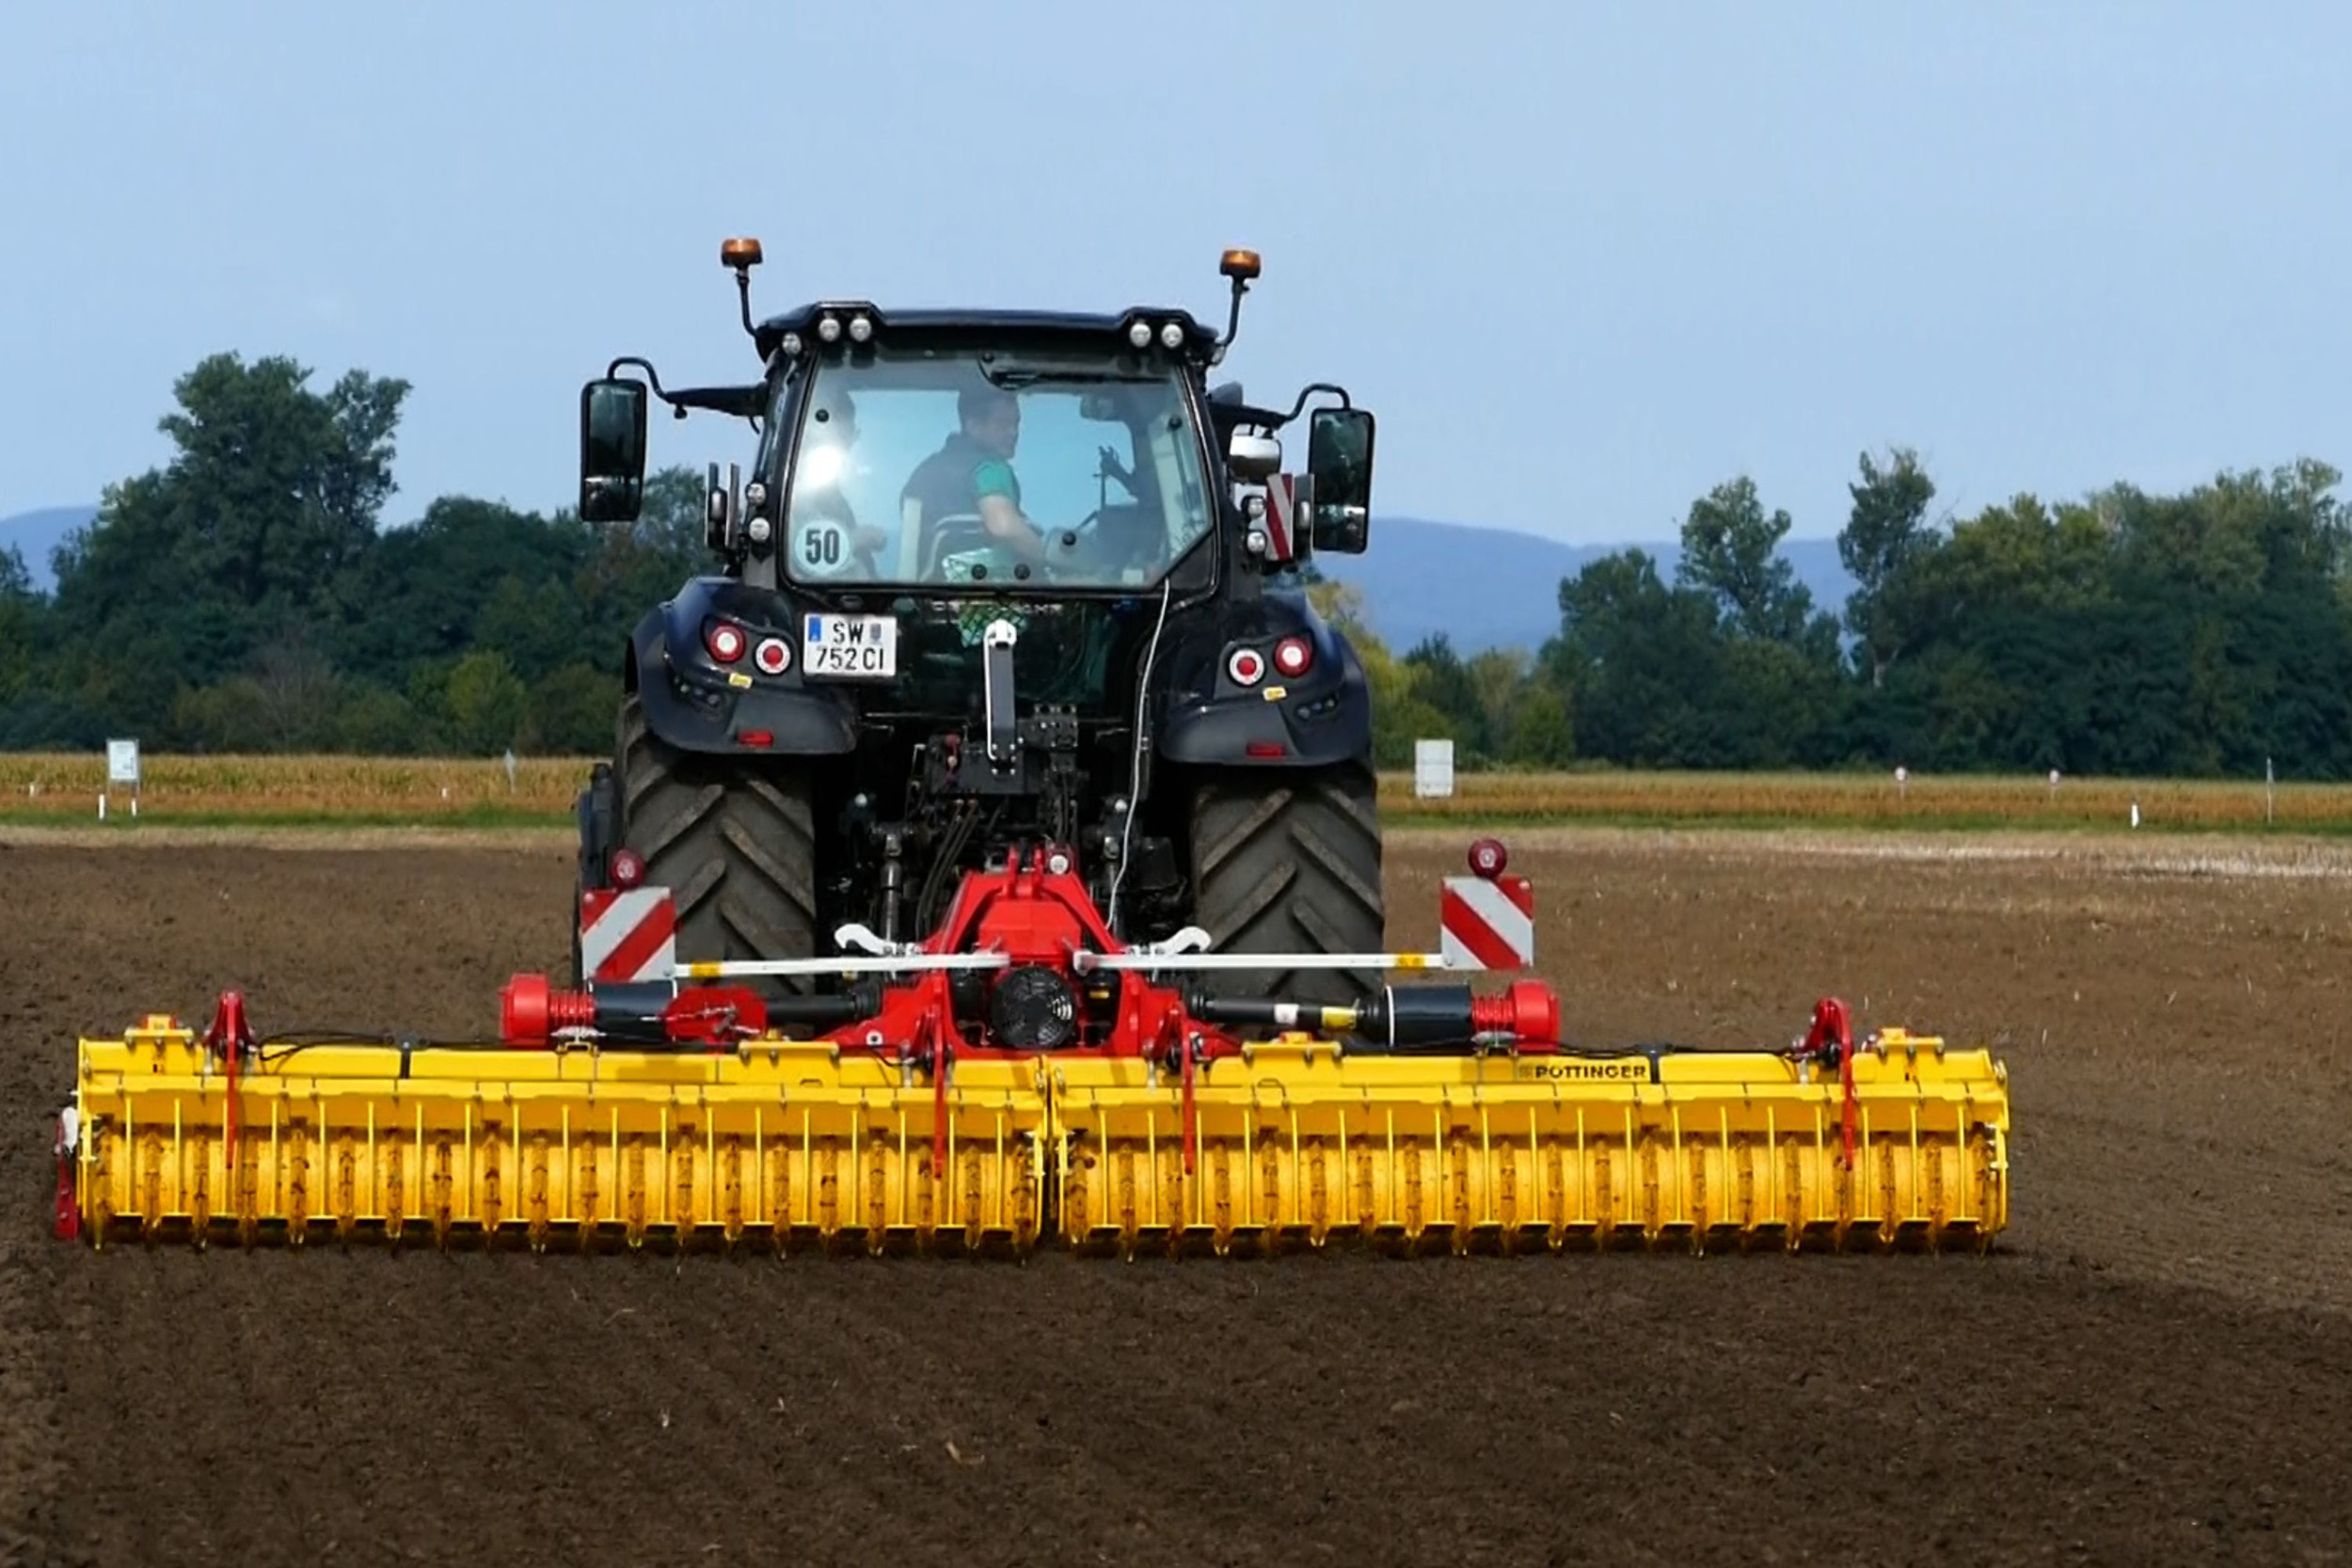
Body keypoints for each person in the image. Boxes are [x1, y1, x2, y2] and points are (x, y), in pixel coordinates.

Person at [899, 384, 1055, 580]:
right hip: (984, 601)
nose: (1013, 432)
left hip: (927, 598)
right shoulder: (990, 467)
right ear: (973, 426)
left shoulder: (922, 474)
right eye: (1003, 424)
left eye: (1016, 423)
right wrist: (1053, 562)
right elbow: (1003, 526)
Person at [787, 384, 886, 578]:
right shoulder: (793, 495)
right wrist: (857, 539)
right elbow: (797, 555)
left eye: (851, 435)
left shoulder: (834, 499)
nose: (849, 443)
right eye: (844, 435)